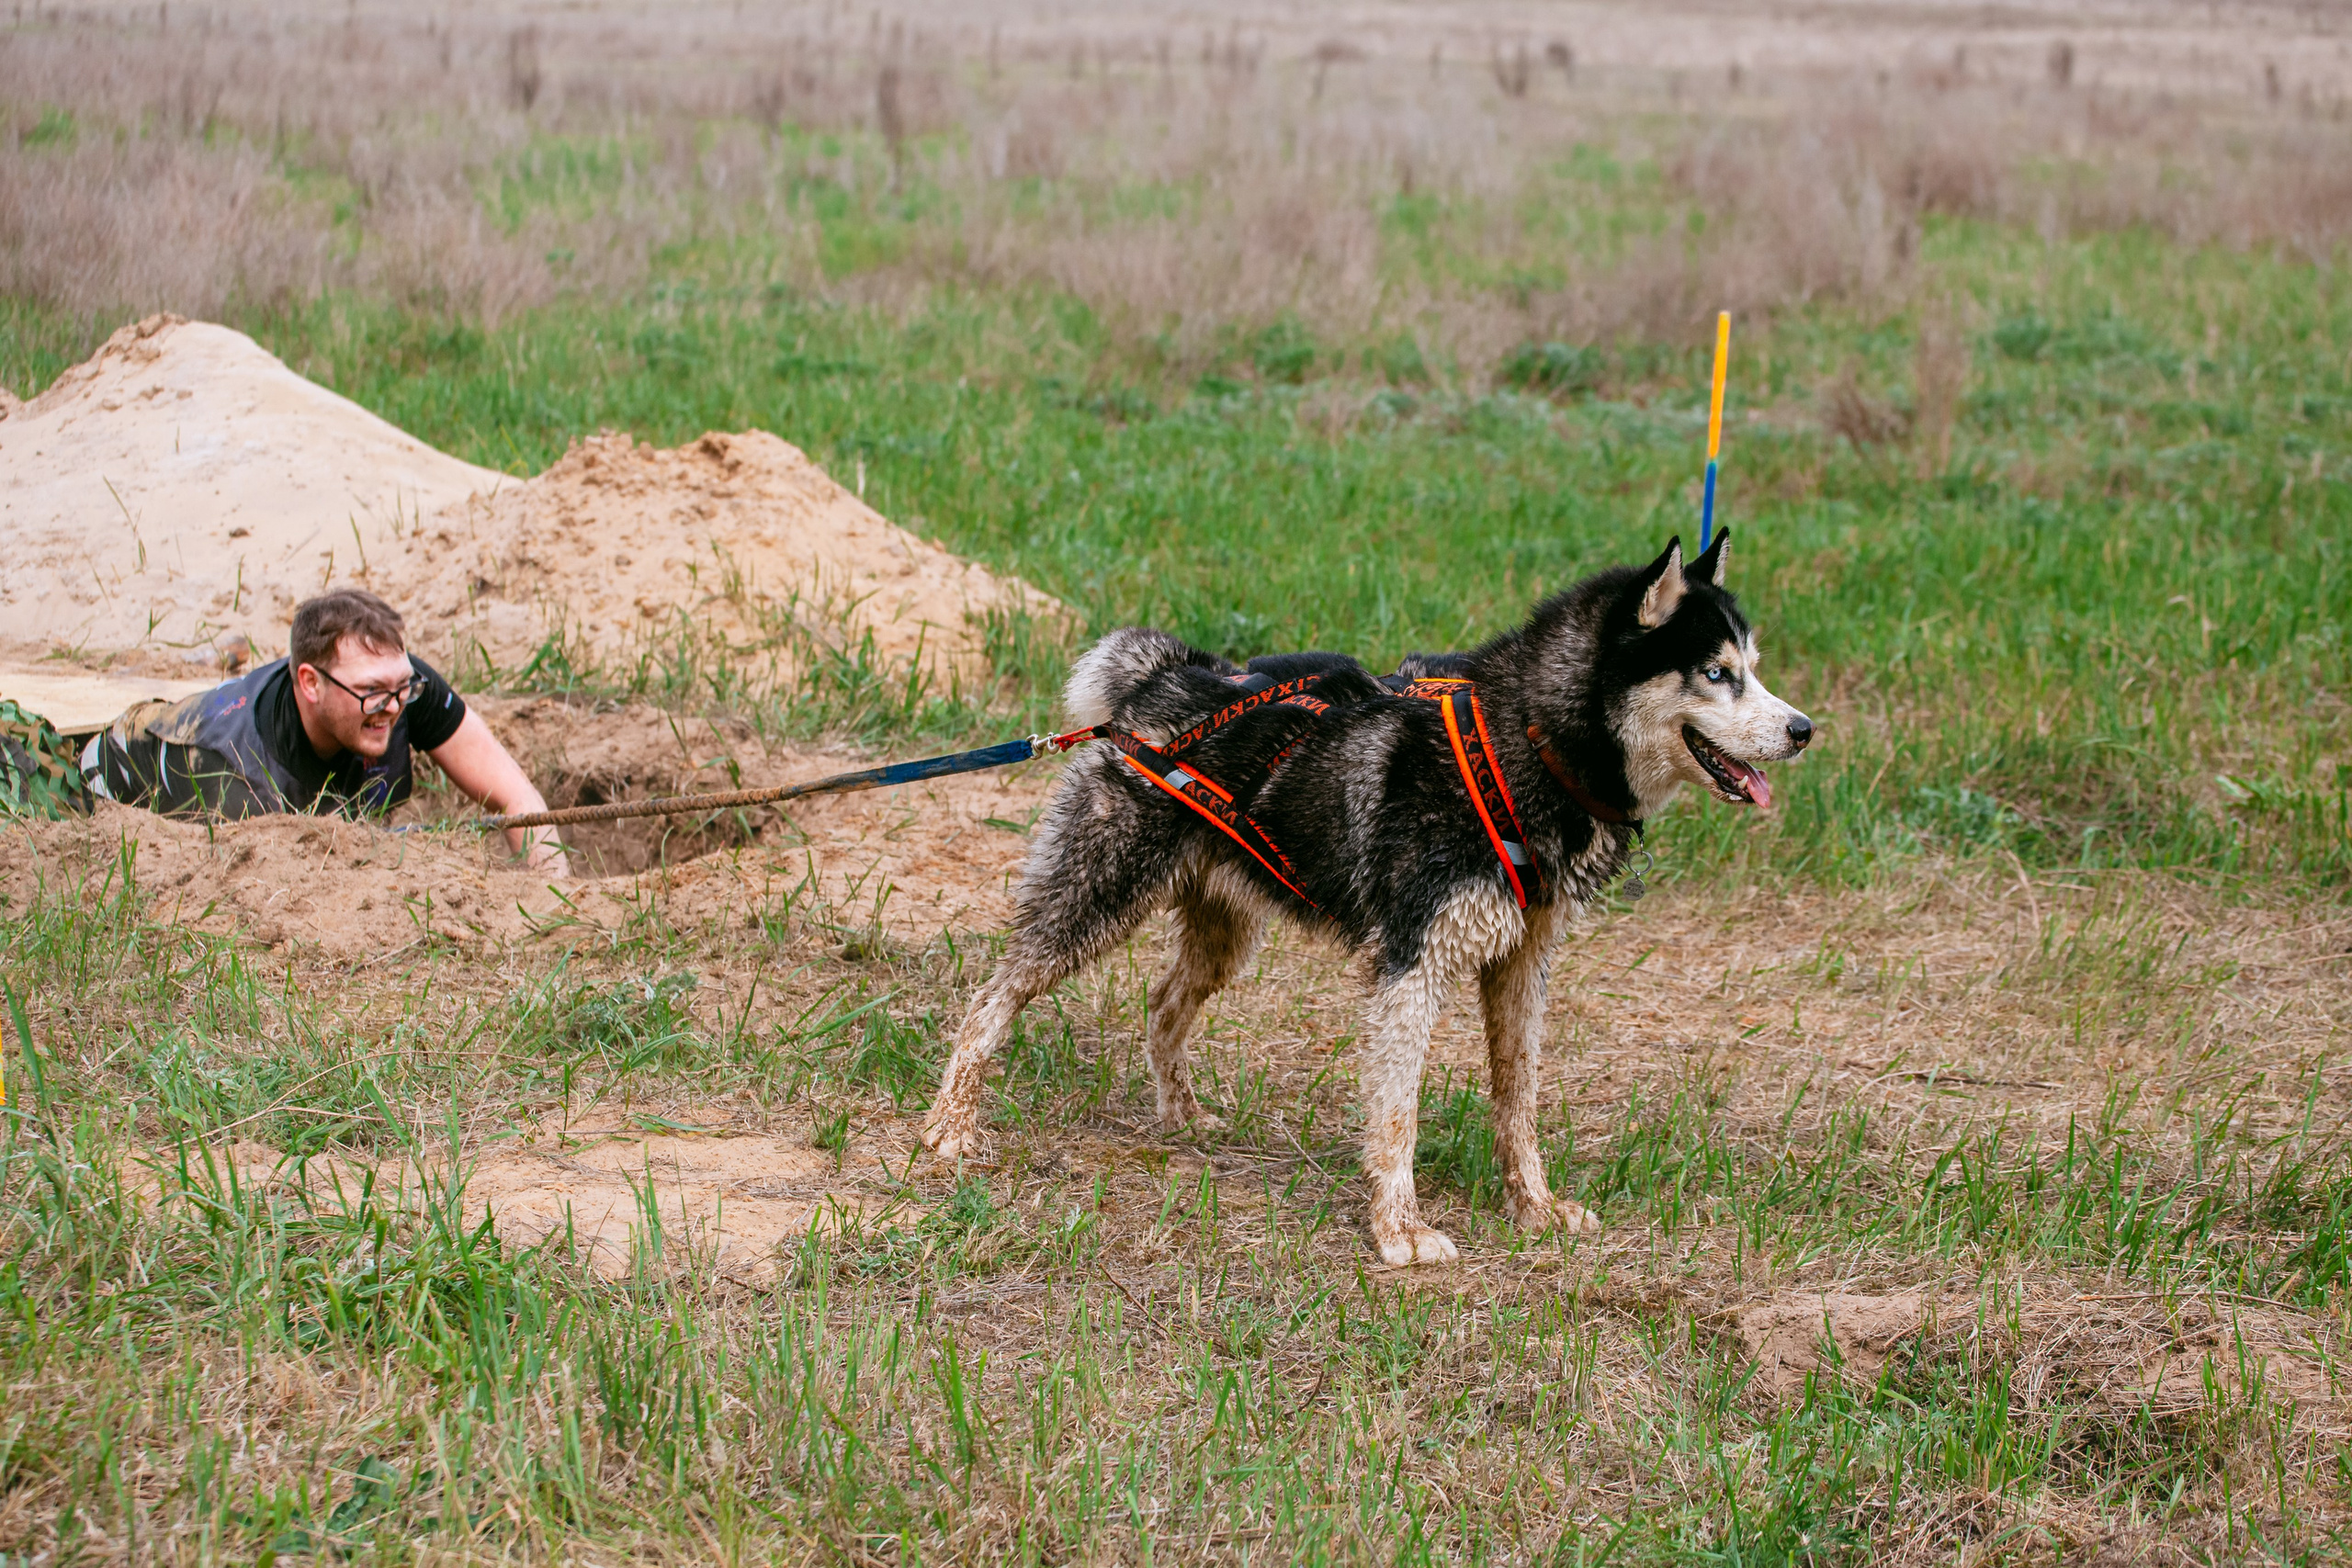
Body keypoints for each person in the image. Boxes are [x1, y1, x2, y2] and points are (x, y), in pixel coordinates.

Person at [82, 589, 569, 874]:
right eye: (373, 690)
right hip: (115, 770)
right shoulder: (239, 777)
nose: (394, 706)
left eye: (402, 685)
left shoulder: (398, 689)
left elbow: (516, 798)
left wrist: (556, 905)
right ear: (311, 684)